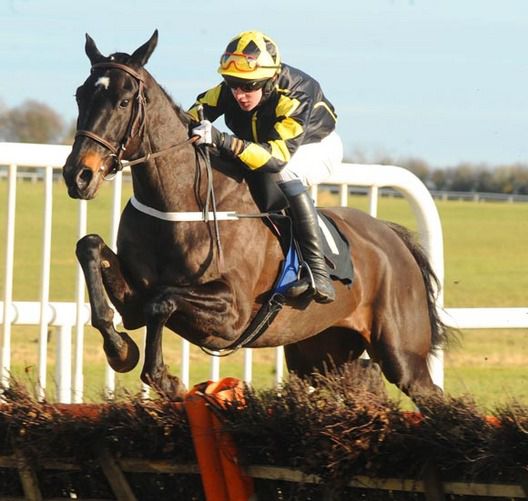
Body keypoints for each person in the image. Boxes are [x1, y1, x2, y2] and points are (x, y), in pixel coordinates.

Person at [188, 31, 343, 304]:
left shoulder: (296, 93)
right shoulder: (229, 90)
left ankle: (317, 271)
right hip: (265, 145)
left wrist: (223, 140)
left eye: (249, 86)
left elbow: (277, 157)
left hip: (314, 146)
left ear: (269, 79)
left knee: (284, 172)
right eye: (233, 84)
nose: (240, 95)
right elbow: (189, 117)